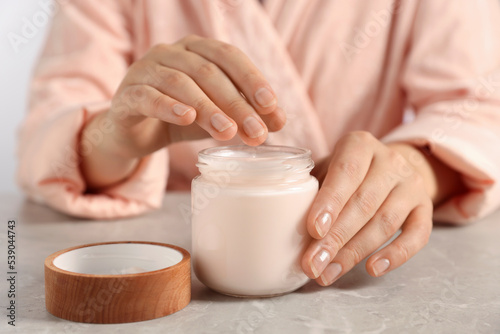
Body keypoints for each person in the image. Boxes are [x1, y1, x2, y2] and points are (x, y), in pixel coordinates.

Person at [18, 0, 500, 287]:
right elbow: (49, 130)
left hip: (342, 267)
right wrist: (116, 138)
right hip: (185, 264)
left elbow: (481, 105)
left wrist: (416, 165)